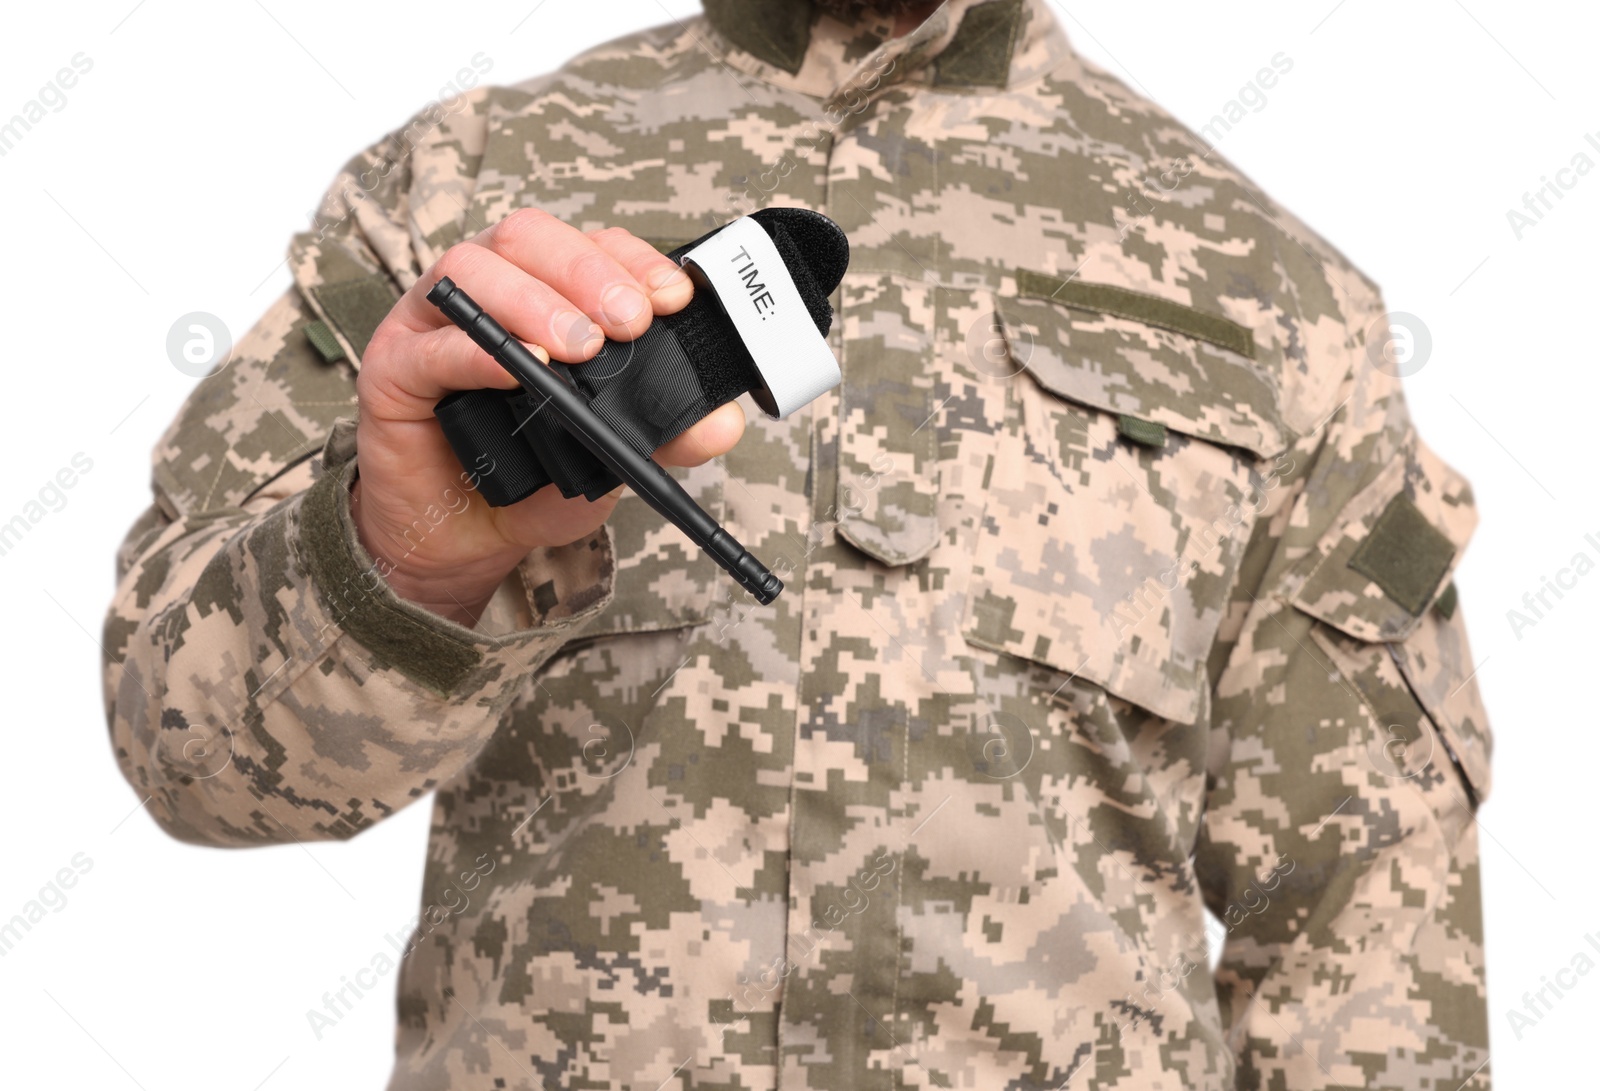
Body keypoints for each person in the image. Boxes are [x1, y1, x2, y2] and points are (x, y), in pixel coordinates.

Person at [101, 0, 1495, 1087]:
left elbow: (1365, 937)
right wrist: (407, 557)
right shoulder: (453, 201)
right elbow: (192, 764)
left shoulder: (1275, 297)